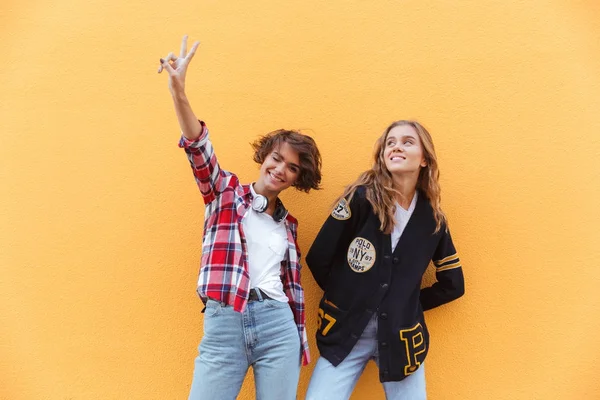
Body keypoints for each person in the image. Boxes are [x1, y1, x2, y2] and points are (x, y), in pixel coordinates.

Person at [158, 36, 322, 400]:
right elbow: (198, 146)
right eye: (277, 158)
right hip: (225, 321)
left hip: (277, 325)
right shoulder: (225, 193)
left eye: (292, 168)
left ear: (297, 179)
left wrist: (297, 337)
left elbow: (292, 290)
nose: (280, 169)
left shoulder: (288, 225)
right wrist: (178, 90)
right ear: (264, 156)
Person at [304, 120, 465, 400]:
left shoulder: (433, 219)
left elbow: (453, 284)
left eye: (407, 142)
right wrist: (350, 298)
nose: (396, 147)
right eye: (390, 143)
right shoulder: (360, 199)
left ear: (424, 158)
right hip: (346, 333)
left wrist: (406, 304)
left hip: (401, 338)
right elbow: (319, 257)